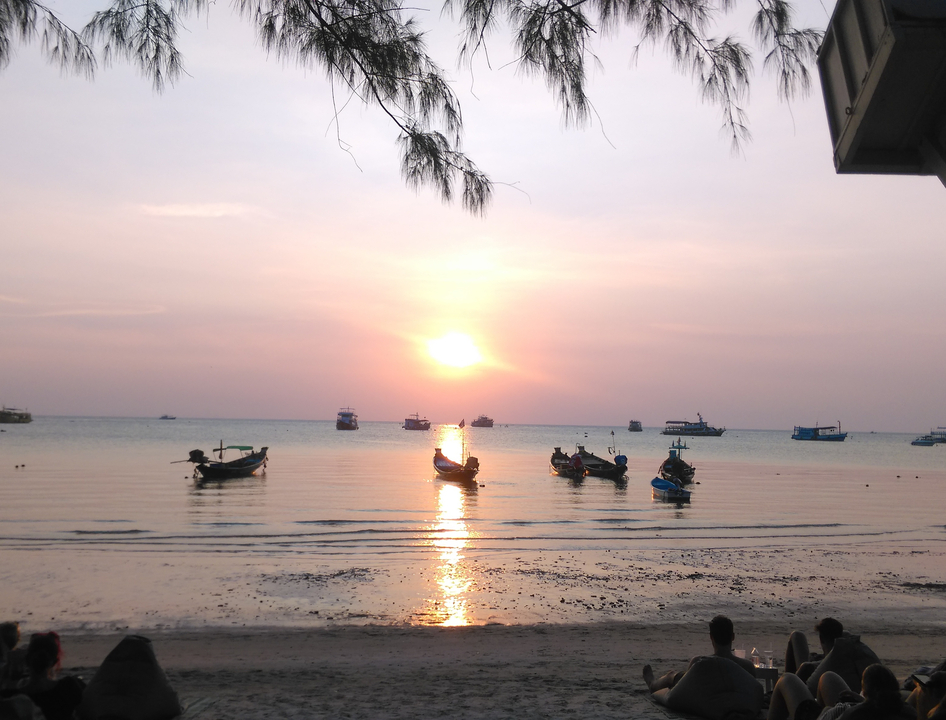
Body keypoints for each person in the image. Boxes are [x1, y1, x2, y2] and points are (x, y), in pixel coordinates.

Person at [643, 616, 762, 720]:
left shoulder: (699, 662)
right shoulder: (747, 666)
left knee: (672, 676)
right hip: (728, 699)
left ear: (711, 637)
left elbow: (687, 690)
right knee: (677, 676)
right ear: (733, 637)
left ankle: (652, 683)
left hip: (704, 695)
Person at [768, 663, 913, 720]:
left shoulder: (854, 715)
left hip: (827, 716)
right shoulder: (907, 711)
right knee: (828, 676)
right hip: (846, 708)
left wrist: (827, 710)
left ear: (868, 690)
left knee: (787, 679)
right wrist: (862, 701)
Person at [785, 618, 880, 694]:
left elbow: (809, 686)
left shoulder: (833, 660)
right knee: (797, 635)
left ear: (821, 639)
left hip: (810, 683)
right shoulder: (855, 647)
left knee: (797, 636)